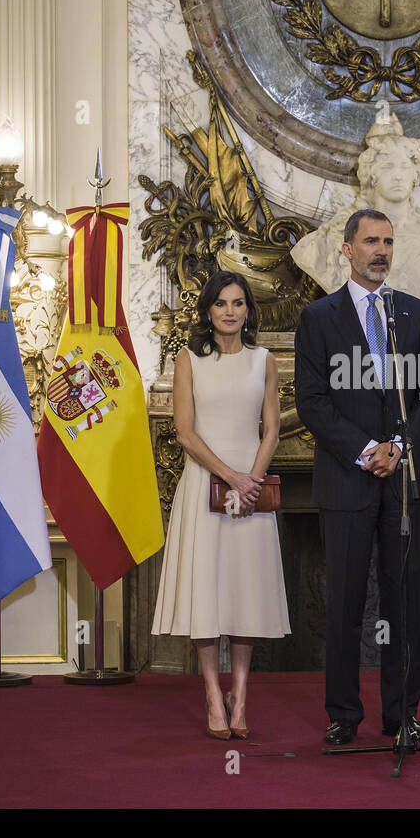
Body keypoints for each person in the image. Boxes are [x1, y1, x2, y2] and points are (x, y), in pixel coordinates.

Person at [294, 208, 420, 745]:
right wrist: (365, 450)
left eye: (388, 241)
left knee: (405, 604)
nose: (381, 250)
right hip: (347, 479)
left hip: (403, 482)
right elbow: (311, 403)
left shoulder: (414, 313)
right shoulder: (318, 317)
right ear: (347, 249)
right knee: (346, 605)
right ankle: (344, 715)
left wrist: (399, 447)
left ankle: (403, 715)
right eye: (371, 241)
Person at [151, 271, 290, 739]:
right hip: (204, 486)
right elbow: (185, 432)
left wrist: (250, 480)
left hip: (250, 489)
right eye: (221, 303)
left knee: (244, 591)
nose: (230, 311)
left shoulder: (264, 360)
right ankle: (213, 696)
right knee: (207, 592)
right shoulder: (188, 358)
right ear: (208, 310)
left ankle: (241, 697)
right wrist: (230, 476)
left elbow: (271, 429)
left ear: (248, 309)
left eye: (238, 303)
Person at [292, 115, 420, 320]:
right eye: (388, 167)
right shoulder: (328, 241)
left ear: (416, 174)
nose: (398, 175)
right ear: (371, 175)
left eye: (404, 167)